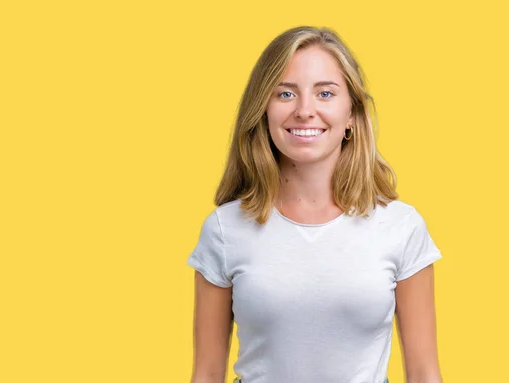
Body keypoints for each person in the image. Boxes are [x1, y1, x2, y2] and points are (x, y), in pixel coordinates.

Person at [186, 26, 443, 383]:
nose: (305, 110)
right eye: (285, 93)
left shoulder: (401, 227)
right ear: (263, 109)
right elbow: (207, 374)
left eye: (325, 93)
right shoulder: (224, 230)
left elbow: (424, 373)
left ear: (351, 113)